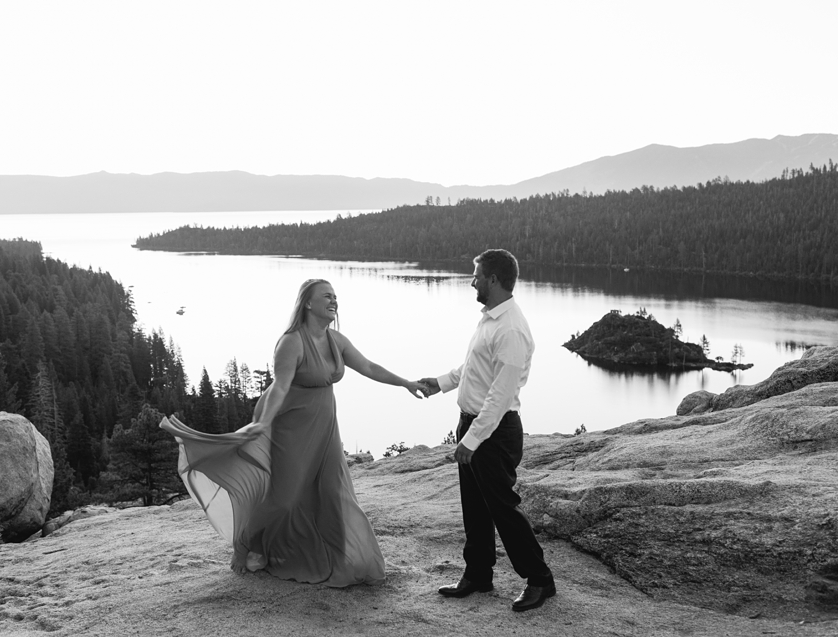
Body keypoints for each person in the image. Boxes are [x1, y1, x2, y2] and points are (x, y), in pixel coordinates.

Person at [160, 278, 427, 587]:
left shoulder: (335, 340)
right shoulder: (292, 342)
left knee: (333, 491)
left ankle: (337, 554)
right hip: (291, 426)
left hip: (324, 427)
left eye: (336, 296)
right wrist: (262, 423)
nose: (334, 301)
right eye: (326, 296)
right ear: (308, 304)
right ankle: (246, 544)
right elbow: (280, 388)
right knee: (285, 498)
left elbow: (368, 366)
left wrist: (406, 382)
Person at [419, 249, 556, 612]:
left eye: (476, 275)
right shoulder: (492, 318)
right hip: (476, 423)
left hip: (494, 431)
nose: (472, 281)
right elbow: (474, 368)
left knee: (503, 509)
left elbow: (501, 394)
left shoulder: (510, 328)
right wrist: (440, 383)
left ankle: (540, 579)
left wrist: (473, 439)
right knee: (475, 508)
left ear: (493, 279)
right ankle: (478, 574)